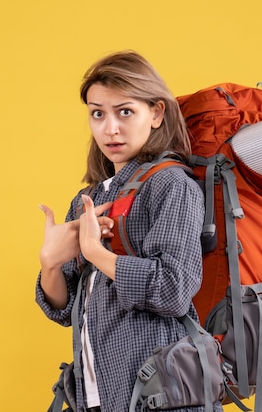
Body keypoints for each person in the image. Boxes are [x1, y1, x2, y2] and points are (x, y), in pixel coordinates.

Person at [36, 51, 221, 412]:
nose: (110, 128)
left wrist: (96, 254)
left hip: (161, 395)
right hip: (99, 392)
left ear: (156, 113)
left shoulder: (171, 184)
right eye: (97, 113)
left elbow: (173, 289)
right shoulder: (88, 198)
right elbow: (64, 309)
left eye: (125, 111)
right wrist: (50, 264)